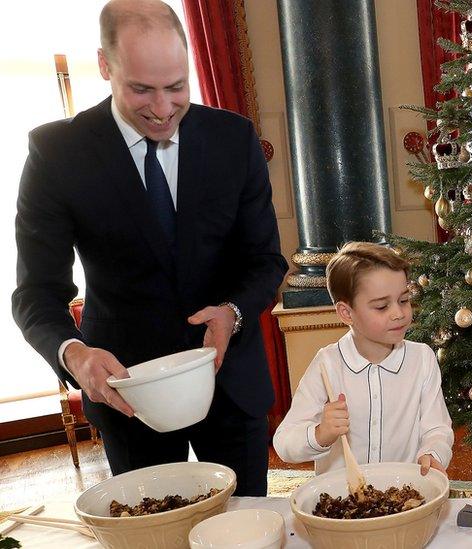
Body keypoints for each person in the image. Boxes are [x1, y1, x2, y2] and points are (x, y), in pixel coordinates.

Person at [12, 0, 287, 496]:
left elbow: (265, 259)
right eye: (141, 89)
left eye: (176, 88)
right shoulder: (57, 154)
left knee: (246, 530)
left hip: (230, 387)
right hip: (126, 395)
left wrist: (234, 312)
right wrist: (75, 356)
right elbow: (35, 294)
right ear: (104, 65)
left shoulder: (234, 139)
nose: (163, 109)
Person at [273, 242, 454, 475]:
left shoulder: (422, 359)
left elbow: (437, 428)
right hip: (342, 502)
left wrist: (432, 452)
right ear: (346, 313)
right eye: (381, 306)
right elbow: (284, 443)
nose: (399, 313)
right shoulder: (326, 364)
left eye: (404, 300)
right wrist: (321, 433)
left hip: (403, 494)